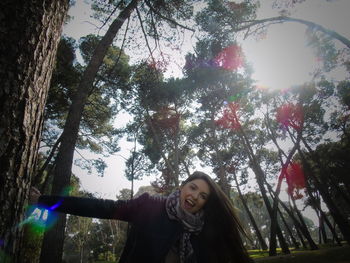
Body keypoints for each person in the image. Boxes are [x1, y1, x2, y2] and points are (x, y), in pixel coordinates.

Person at [34, 171, 251, 263]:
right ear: (182, 186)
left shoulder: (203, 229)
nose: (195, 196)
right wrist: (45, 201)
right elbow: (101, 207)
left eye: (202, 196)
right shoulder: (151, 206)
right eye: (192, 188)